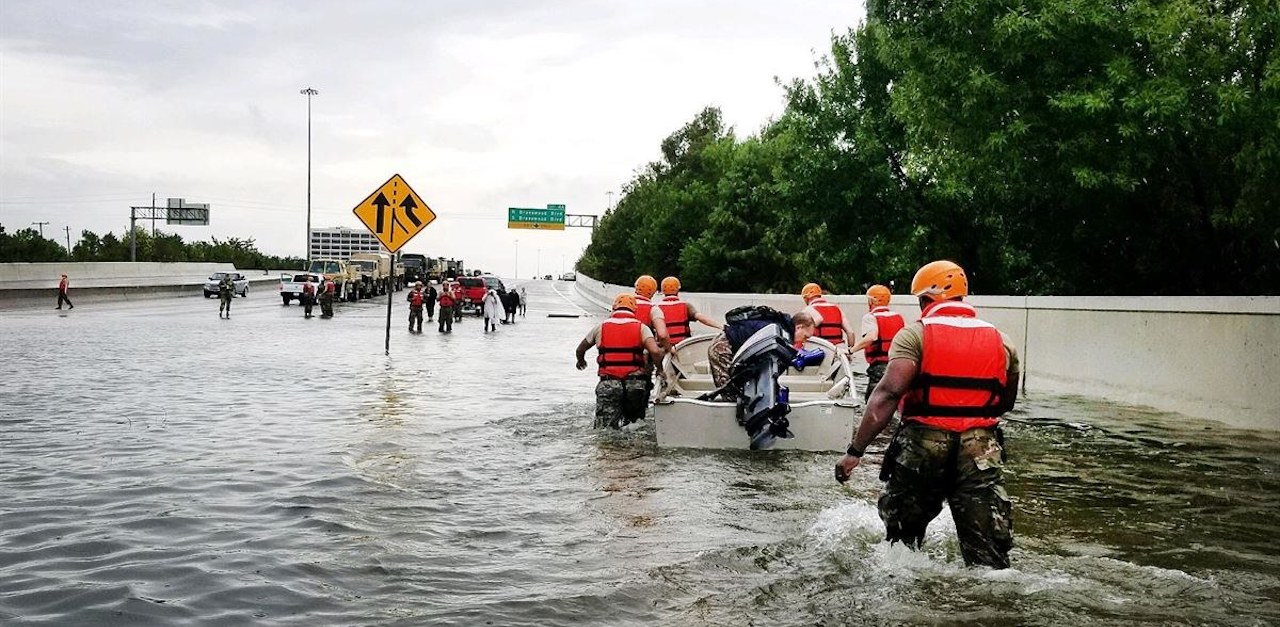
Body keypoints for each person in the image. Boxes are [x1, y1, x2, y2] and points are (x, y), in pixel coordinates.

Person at [834, 260, 1021, 569]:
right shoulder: (1002, 340)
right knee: (988, 559)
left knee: (902, 548)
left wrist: (855, 452)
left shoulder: (914, 335)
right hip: (981, 450)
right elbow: (1005, 402)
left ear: (925, 299)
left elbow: (888, 394)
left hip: (923, 445)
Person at [575, 293, 665, 429]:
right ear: (635, 310)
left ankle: (609, 449)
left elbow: (580, 349)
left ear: (613, 308)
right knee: (634, 426)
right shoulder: (641, 327)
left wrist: (580, 361)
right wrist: (660, 369)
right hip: (635, 384)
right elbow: (655, 351)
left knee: (605, 429)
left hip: (608, 383)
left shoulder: (600, 327)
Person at [707, 309, 816, 397]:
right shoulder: (780, 333)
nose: (804, 341)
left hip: (730, 344)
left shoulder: (781, 327)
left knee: (740, 392)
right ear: (799, 327)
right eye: (805, 337)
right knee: (731, 393)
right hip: (723, 346)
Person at [847, 284, 906, 402]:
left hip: (880, 365)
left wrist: (851, 350)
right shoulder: (898, 317)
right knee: (893, 399)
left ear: (871, 301)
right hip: (897, 363)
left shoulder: (870, 317)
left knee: (872, 401)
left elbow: (872, 337)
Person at [655, 276, 722, 350]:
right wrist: (720, 326)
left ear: (663, 290)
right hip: (682, 346)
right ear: (677, 289)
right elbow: (701, 318)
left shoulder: (656, 308)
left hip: (664, 347)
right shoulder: (686, 306)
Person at [801, 283, 857, 349]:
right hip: (839, 348)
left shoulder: (808, 309)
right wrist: (849, 350)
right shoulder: (837, 309)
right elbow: (851, 332)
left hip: (820, 348)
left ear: (806, 298)